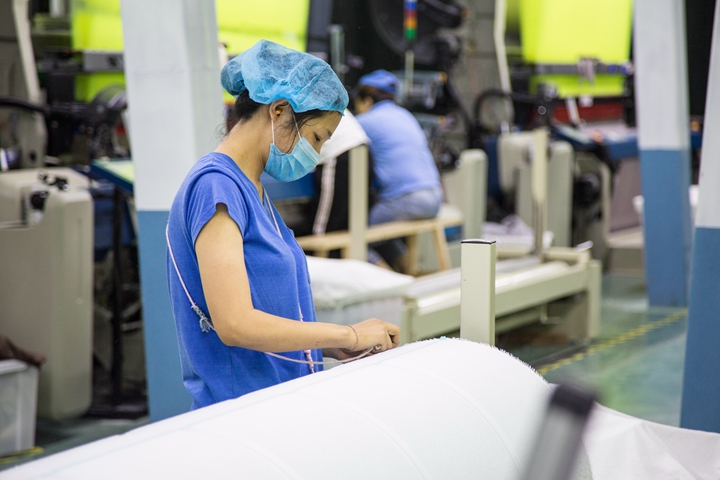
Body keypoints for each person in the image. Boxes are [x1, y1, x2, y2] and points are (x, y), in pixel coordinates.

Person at [166, 40, 400, 410]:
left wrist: (327, 347)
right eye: (317, 138)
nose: (316, 155)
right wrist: (349, 334)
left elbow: (274, 310)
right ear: (278, 110)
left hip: (277, 406)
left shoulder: (253, 191)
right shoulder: (216, 187)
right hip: (240, 414)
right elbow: (235, 323)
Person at [353, 69, 443, 272]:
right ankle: (407, 271)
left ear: (366, 100)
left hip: (406, 200)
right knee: (382, 234)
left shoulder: (365, 121)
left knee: (355, 239)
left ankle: (393, 282)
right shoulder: (406, 116)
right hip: (434, 197)